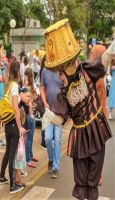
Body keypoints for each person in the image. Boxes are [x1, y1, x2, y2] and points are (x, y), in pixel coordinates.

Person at [43, 19, 114, 199]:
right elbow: (60, 118)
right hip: (80, 135)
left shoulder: (86, 70)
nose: (59, 77)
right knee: (81, 180)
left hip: (96, 130)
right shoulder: (63, 93)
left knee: (93, 179)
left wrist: (113, 46)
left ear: (70, 67)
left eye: (60, 72)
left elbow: (104, 60)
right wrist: (48, 115)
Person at [0, 60, 26, 194]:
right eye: (19, 70)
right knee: (12, 154)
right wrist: (20, 127)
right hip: (13, 124)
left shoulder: (8, 84)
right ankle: (12, 186)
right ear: (17, 72)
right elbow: (15, 108)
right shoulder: (14, 85)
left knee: (8, 150)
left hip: (7, 123)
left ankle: (2, 176)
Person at [40, 58, 62, 178]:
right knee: (48, 139)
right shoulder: (45, 70)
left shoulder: (61, 69)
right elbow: (42, 88)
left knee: (57, 140)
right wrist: (45, 103)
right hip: (48, 112)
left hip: (59, 112)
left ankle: (55, 168)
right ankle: (51, 159)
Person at [90, 45, 108, 118]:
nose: (90, 55)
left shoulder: (95, 73)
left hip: (96, 115)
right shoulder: (97, 70)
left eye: (92, 53)